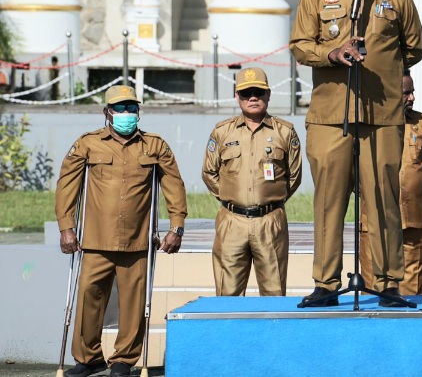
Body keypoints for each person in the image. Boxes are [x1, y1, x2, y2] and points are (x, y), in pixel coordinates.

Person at [289, 0, 422, 308]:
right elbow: (299, 44)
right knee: (329, 201)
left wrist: (386, 66)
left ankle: (387, 283)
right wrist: (331, 53)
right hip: (332, 114)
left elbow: (414, 46)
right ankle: (326, 284)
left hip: (382, 114)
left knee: (383, 199)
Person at [55, 85, 188, 377]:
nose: (127, 113)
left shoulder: (154, 145)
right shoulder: (88, 144)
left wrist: (176, 227)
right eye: (120, 108)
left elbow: (174, 186)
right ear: (107, 113)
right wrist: (67, 228)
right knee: (89, 297)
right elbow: (67, 186)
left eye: (132, 108)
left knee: (133, 303)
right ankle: (89, 357)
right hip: (95, 239)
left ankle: (123, 360)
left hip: (137, 239)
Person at [201, 67, 303, 297]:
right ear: (237, 96)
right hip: (231, 222)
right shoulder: (222, 132)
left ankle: (272, 334)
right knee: (228, 297)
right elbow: (209, 172)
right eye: (246, 93)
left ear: (268, 94)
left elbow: (294, 176)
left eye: (259, 91)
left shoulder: (285, 132)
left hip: (270, 222)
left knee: (274, 294)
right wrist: (232, 197)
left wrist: (269, 198)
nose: (253, 97)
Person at [359, 70, 422, 295]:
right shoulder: (368, 123)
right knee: (373, 291)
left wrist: (413, 186)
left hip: (412, 218)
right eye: (406, 93)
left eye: (412, 92)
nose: (412, 98)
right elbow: (354, 173)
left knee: (410, 290)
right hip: (376, 221)